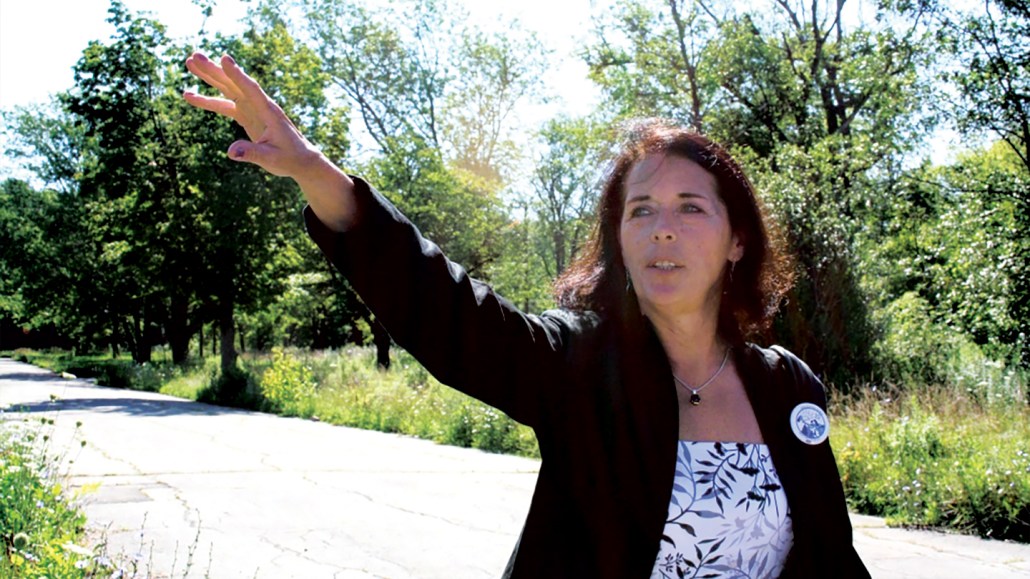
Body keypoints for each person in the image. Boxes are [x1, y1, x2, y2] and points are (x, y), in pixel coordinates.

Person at [184, 52, 870, 579]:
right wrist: (312, 169)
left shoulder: (789, 389)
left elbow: (832, 561)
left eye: (692, 207)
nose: (664, 228)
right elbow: (449, 311)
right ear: (619, 242)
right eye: (641, 210)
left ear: (737, 239)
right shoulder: (577, 367)